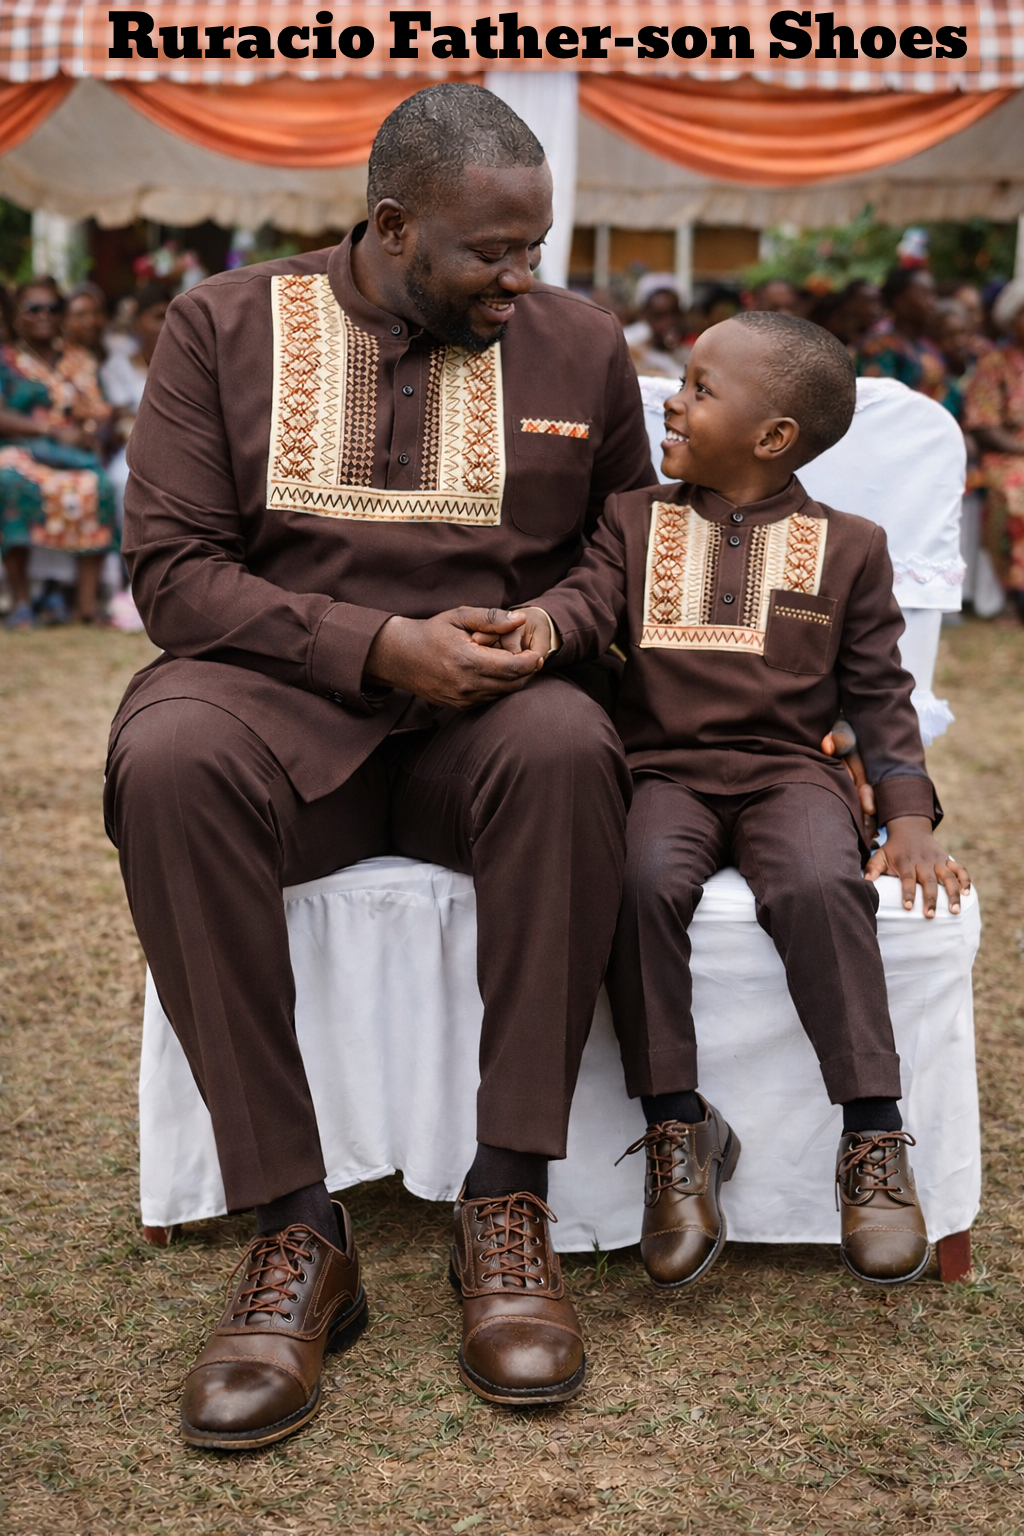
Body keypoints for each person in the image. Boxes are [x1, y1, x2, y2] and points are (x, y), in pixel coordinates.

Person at [104, 83, 653, 1446]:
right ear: (394, 225)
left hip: (489, 728)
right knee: (167, 756)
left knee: (571, 740)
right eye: (494, 252)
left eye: (538, 247)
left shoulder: (580, 344)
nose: (525, 280)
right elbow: (172, 575)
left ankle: (508, 1198)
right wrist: (371, 644)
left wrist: (560, 624)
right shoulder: (221, 324)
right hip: (277, 710)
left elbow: (628, 542)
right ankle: (296, 1229)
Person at [499, 312, 970, 1291]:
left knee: (814, 882)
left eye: (701, 388)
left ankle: (873, 1137)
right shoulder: (632, 520)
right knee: (630, 879)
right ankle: (678, 1129)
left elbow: (880, 694)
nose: (670, 396)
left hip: (791, 773)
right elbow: (587, 601)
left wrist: (910, 820)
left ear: (772, 438)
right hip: (660, 770)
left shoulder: (850, 548)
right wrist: (543, 626)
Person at [0, 277, 117, 628]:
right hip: (19, 451)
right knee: (9, 481)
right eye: (33, 308)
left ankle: (85, 603)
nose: (43, 316)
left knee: (99, 485)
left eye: (52, 308)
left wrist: (93, 431)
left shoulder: (78, 359)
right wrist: (50, 430)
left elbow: (101, 413)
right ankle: (22, 601)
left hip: (73, 456)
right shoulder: (6, 360)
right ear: (18, 316)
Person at [964, 279, 1024, 623]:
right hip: (1008, 455)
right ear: (1012, 319)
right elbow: (983, 424)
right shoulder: (994, 364)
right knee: (1016, 491)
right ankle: (1015, 596)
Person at [857, 267, 948, 402]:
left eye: (934, 295)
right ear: (900, 303)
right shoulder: (879, 347)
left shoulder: (927, 346)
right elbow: (878, 401)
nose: (933, 303)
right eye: (925, 294)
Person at [626, 276, 690, 379]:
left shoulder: (688, 354)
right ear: (645, 316)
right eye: (658, 316)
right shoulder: (634, 355)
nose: (667, 323)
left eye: (673, 314)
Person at [63, 283, 109, 363]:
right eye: (80, 315)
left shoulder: (111, 358)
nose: (90, 321)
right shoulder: (58, 362)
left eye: (96, 313)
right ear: (65, 321)